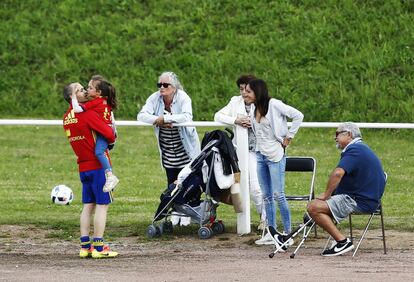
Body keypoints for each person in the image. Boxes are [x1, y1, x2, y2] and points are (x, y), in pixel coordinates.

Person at [307, 122, 386, 257]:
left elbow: (338, 173)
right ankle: (338, 241)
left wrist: (327, 195)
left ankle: (342, 242)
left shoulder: (355, 150)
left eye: (337, 134)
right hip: (365, 199)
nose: (335, 138)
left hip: (358, 200)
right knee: (315, 210)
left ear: (348, 134)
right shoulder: (361, 149)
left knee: (313, 207)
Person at [244, 79, 304, 246]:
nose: (244, 94)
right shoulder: (253, 108)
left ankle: (287, 233)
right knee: (267, 196)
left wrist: (289, 137)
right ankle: (272, 232)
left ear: (257, 91)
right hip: (260, 154)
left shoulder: (274, 104)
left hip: (275, 154)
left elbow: (298, 115)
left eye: (248, 91)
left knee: (278, 194)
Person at [63, 82, 118, 259]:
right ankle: (99, 248)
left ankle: (85, 246)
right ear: (73, 97)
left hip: (83, 166)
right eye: (79, 90)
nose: (84, 91)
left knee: (88, 206)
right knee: (102, 206)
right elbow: (109, 134)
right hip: (98, 167)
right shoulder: (87, 114)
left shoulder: (66, 117)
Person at [214, 74, 265, 229]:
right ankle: (258, 219)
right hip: (242, 152)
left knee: (257, 187)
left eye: (246, 89)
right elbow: (217, 116)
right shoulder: (235, 101)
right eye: (241, 89)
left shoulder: (265, 103)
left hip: (261, 151)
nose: (243, 92)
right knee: (247, 186)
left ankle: (265, 218)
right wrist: (235, 120)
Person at [137, 71, 201, 186]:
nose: (161, 87)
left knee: (189, 188)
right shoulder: (154, 98)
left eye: (165, 85)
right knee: (172, 190)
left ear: (174, 87)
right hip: (168, 156)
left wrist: (166, 119)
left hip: (186, 152)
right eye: (159, 85)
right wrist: (158, 120)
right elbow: (141, 115)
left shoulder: (183, 97)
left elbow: (187, 116)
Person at [71, 75, 119, 192]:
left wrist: (73, 97)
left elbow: (77, 110)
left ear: (99, 93)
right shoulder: (103, 101)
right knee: (101, 152)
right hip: (107, 131)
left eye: (90, 88)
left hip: (104, 133)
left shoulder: (97, 102)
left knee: (98, 152)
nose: (87, 90)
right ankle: (109, 175)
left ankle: (110, 176)